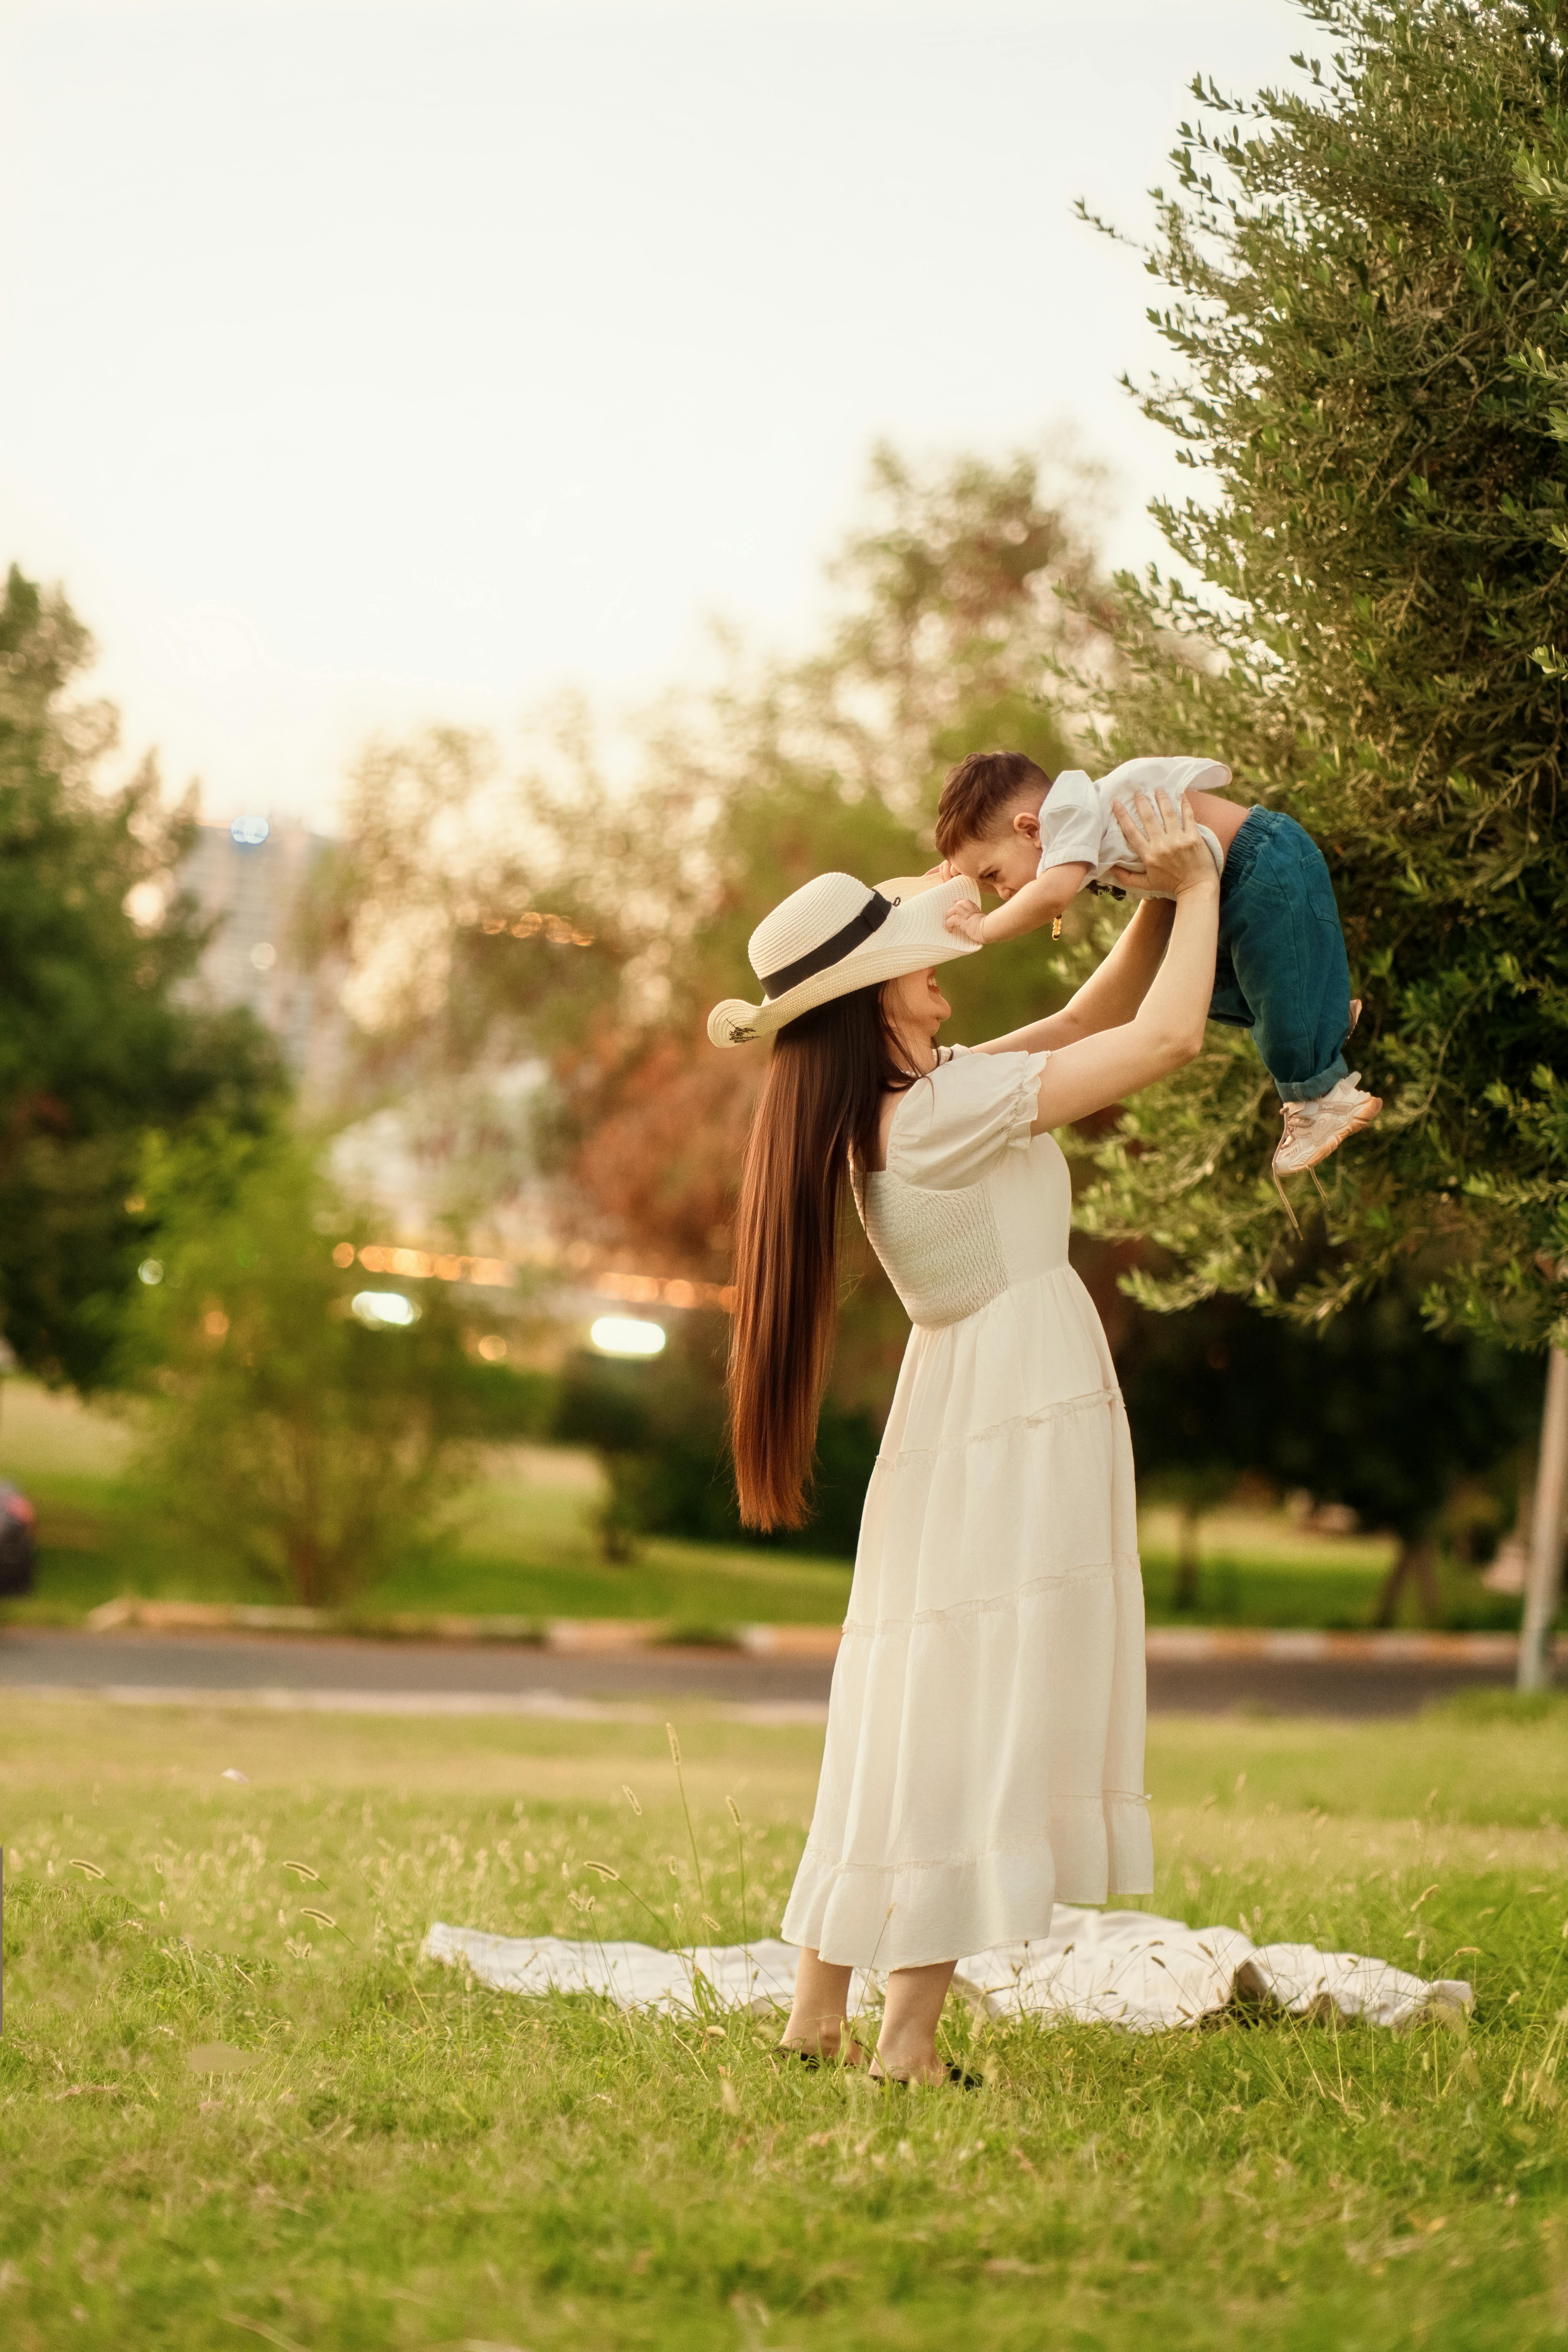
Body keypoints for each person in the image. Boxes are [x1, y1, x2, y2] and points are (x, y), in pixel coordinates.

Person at [706, 788, 1219, 2085]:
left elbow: (1093, 1017)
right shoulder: (934, 1116)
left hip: (965, 1410)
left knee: (908, 1700)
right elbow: (1160, 1047)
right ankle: (910, 2045)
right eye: (916, 969)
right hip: (1012, 1407)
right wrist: (1204, 885)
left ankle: (818, 2014)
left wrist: (1144, 904)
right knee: (969, 1703)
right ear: (874, 1000)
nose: (941, 976)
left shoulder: (918, 1101)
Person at [933, 749, 1381, 1212]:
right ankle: (1318, 1009)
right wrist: (959, 880)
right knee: (1207, 989)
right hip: (1233, 879)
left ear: (1030, 830)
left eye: (993, 877)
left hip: (1256, 864)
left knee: (1278, 1017)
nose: (1001, 894)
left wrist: (983, 928)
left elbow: (1050, 897)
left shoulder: (1067, 817)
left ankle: (1321, 1101)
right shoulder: (1065, 825)